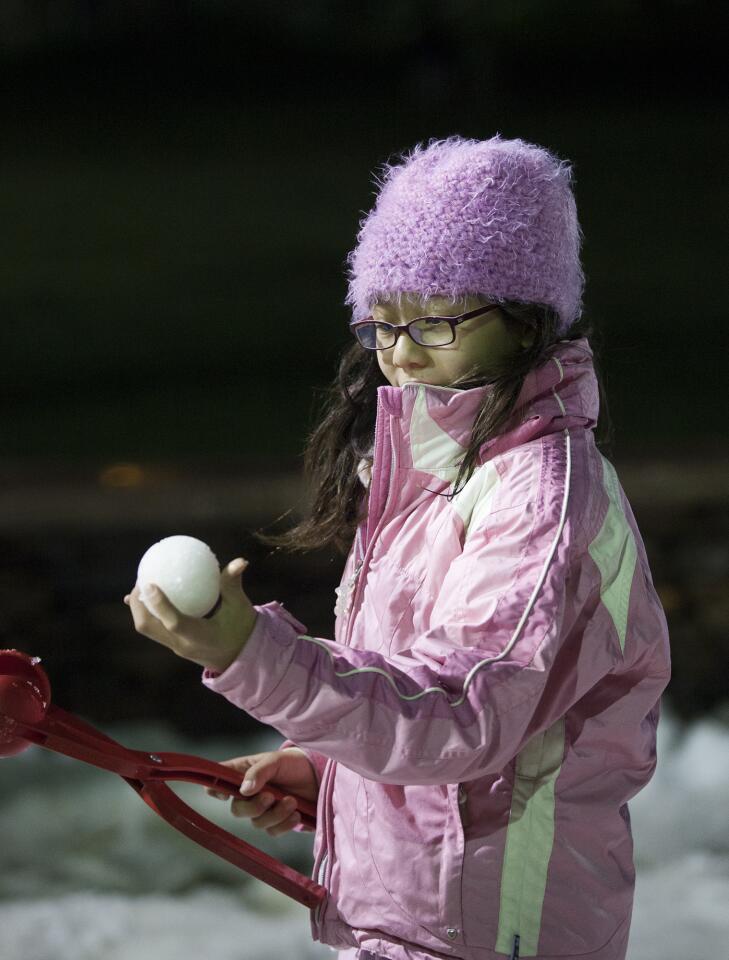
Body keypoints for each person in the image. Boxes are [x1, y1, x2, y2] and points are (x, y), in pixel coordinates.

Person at [125, 134, 672, 960]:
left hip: (492, 929)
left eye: (438, 319)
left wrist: (251, 653)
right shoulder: (428, 471)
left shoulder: (541, 499)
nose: (403, 353)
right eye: (382, 322)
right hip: (411, 918)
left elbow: (459, 712)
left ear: (526, 320)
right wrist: (332, 770)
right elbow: (414, 681)